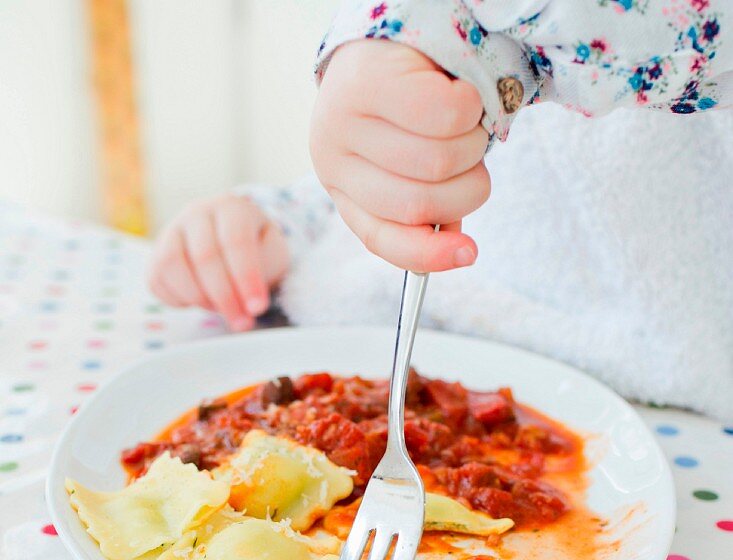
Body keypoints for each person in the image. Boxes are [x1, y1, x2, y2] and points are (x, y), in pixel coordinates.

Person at [149, 1, 733, 418]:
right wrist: (267, 225)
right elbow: (376, 180)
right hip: (424, 367)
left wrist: (416, 22)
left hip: (686, 410)